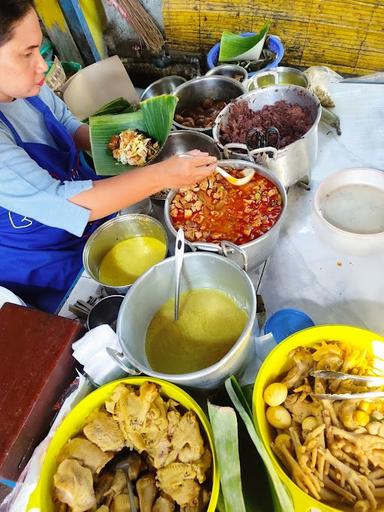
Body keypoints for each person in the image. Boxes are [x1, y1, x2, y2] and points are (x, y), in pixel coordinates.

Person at [0, 0, 217, 312]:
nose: (43, 65)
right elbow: (66, 203)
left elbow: (63, 121)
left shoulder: (24, 86)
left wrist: (122, 145)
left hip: (88, 207)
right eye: (27, 53)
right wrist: (164, 175)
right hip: (46, 255)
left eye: (40, 48)